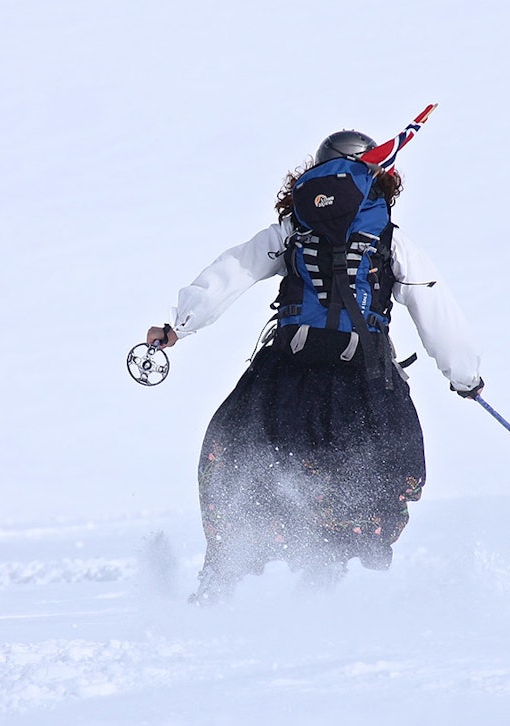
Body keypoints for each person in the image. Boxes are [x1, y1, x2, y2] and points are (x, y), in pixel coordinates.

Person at [145, 129, 483, 604]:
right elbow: (435, 307)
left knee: (237, 458)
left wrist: (178, 326)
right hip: (365, 385)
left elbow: (233, 271)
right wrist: (464, 375)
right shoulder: (389, 238)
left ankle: (224, 579)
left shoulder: (291, 230)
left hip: (285, 377)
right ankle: (322, 592)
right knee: (359, 483)